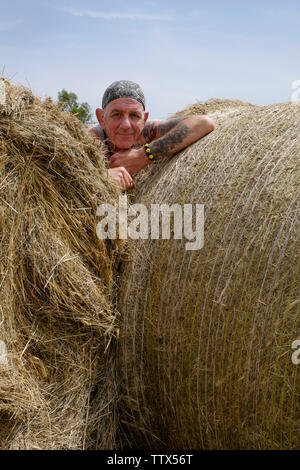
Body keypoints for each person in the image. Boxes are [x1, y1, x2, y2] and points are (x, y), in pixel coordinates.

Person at [87, 80, 215, 191]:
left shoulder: (148, 131)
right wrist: (102, 177)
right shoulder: (89, 140)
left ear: (144, 119)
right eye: (116, 115)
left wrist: (142, 156)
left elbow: (203, 123)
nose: (126, 125)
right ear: (101, 118)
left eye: (134, 115)